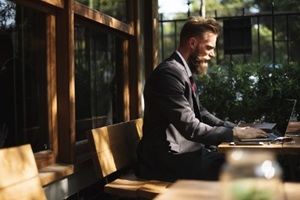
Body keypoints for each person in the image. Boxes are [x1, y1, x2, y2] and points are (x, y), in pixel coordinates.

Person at [136, 16, 268, 181]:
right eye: (209, 48)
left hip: (184, 154)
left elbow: (201, 113)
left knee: (248, 165)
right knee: (245, 171)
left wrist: (236, 129)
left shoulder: (181, 71)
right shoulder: (168, 74)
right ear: (192, 43)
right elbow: (191, 127)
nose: (212, 54)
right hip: (166, 161)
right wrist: (234, 133)